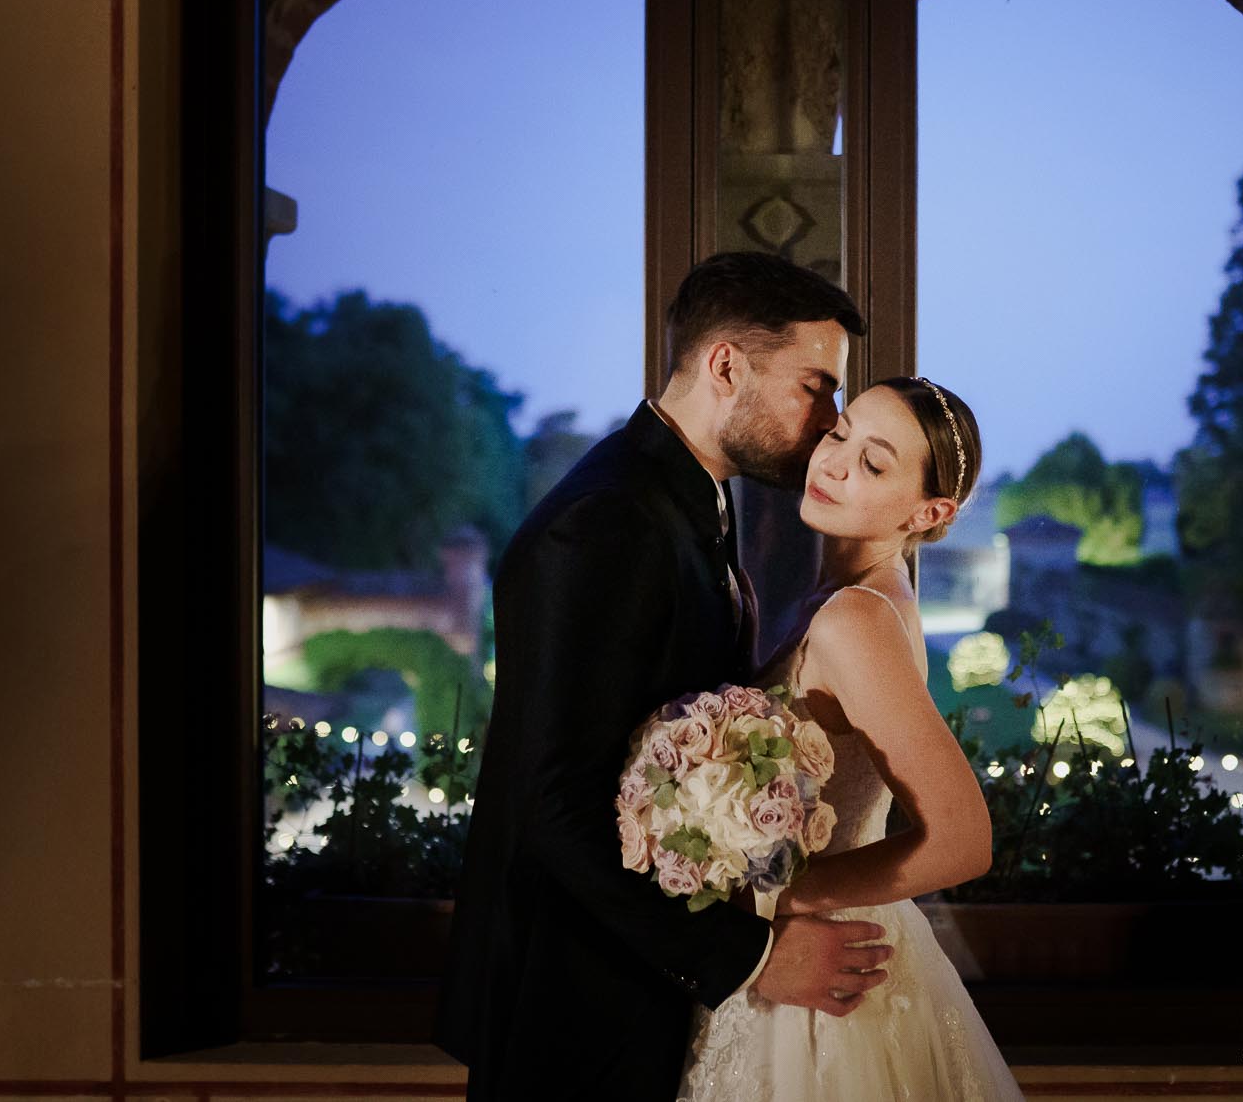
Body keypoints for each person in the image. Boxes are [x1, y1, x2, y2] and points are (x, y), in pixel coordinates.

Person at [436, 252, 898, 1101]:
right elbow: (552, 806)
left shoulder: (691, 501)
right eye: (814, 385)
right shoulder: (605, 520)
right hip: (574, 1010)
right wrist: (751, 954)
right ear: (727, 365)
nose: (829, 419)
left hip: (638, 989)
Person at [677, 376, 1027, 1102]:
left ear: (930, 511)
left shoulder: (857, 620)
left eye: (874, 463)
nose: (834, 463)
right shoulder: (844, 600)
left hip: (822, 976)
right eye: (840, 435)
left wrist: (790, 897)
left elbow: (963, 837)